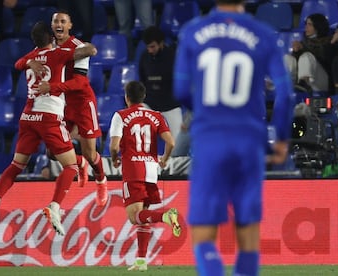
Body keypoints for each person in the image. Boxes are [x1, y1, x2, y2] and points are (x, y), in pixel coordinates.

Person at [173, 0, 294, 275]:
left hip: (209, 139)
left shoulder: (193, 31)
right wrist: (282, 140)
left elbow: (180, 90)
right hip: (248, 139)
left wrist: (207, 112)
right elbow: (286, 93)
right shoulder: (262, 33)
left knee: (203, 233)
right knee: (247, 230)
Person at [0, 21, 94, 236]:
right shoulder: (58, 54)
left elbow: (17, 64)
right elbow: (89, 51)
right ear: (50, 38)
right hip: (49, 117)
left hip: (28, 116)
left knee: (16, 165)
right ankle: (55, 207)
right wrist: (82, 47)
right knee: (69, 167)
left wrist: (29, 62)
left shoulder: (30, 57)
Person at [26, 10, 108, 207]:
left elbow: (79, 83)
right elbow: (26, 60)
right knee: (52, 153)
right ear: (52, 26)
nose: (59, 24)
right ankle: (79, 163)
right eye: (55, 21)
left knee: (90, 152)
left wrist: (52, 87)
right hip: (61, 105)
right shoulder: (48, 47)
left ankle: (101, 180)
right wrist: (29, 61)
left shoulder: (78, 48)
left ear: (70, 26)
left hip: (82, 103)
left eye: (63, 21)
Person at [108, 81, 181, 271]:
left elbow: (114, 146)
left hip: (133, 168)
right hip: (151, 169)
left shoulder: (121, 115)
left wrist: (115, 159)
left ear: (127, 97)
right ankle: (141, 261)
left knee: (134, 217)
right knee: (143, 217)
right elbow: (171, 142)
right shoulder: (156, 116)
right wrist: (164, 158)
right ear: (144, 97)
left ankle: (166, 216)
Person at [139, 25, 182, 140]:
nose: (150, 50)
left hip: (170, 104)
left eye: (153, 47)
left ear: (161, 43)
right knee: (138, 129)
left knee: (178, 140)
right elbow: (142, 80)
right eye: (148, 47)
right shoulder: (144, 57)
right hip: (150, 104)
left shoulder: (174, 57)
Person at [284, 13, 336, 93]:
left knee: (307, 56)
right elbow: (296, 62)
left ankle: (303, 82)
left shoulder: (329, 41)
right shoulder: (304, 42)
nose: (306, 27)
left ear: (318, 26)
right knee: (288, 57)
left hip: (321, 81)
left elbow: (323, 55)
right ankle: (283, 85)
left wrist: (302, 48)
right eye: (306, 24)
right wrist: (296, 51)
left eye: (310, 24)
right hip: (302, 82)